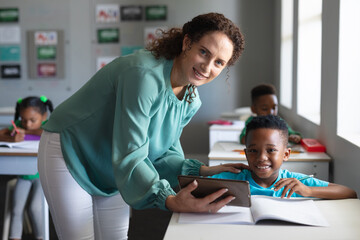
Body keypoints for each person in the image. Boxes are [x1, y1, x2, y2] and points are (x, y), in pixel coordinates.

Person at [38, 12, 246, 240]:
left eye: (219, 62)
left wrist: (204, 172)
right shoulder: (144, 76)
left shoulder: (190, 99)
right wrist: (169, 199)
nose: (207, 67)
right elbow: (131, 152)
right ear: (187, 43)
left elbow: (164, 152)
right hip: (70, 150)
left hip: (111, 164)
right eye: (204, 52)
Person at [212, 115, 357, 199]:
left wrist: (308, 191)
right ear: (246, 153)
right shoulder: (231, 179)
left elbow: (349, 193)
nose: (262, 157)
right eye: (253, 151)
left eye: (271, 150)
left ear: (286, 154)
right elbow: (196, 187)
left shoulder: (295, 183)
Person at [0, 96, 53, 240]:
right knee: (16, 209)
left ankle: (41, 237)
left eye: (32, 120)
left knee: (35, 208)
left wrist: (25, 133)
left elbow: (44, 131)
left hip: (41, 176)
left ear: (44, 116)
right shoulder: (18, 126)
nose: (27, 124)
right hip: (24, 176)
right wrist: (12, 138)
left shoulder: (49, 125)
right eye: (23, 120)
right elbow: (2, 133)